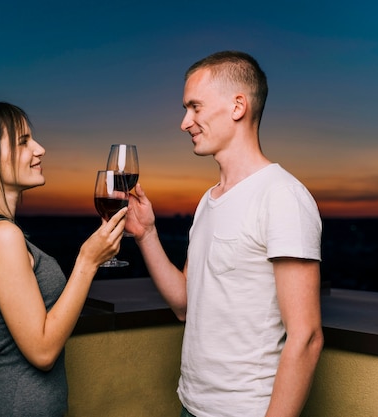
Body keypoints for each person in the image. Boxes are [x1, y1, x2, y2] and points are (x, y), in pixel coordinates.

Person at [126, 51, 324, 417]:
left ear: (237, 107)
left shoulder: (281, 196)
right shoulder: (209, 200)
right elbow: (186, 305)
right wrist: (146, 234)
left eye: (195, 107)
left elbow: (307, 337)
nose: (185, 123)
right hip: (192, 405)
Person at [0, 102, 127, 417]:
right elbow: (42, 352)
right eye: (23, 141)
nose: (40, 149)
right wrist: (87, 261)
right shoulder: (0, 236)